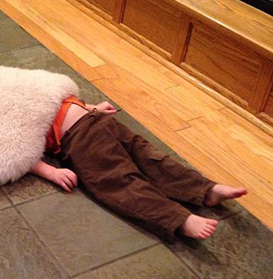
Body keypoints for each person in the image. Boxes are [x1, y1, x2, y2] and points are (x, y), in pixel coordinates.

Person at [31, 96, 247, 240]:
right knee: (122, 179)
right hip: (79, 138)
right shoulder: (5, 116)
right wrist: (51, 171)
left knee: (151, 161)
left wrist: (92, 108)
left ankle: (205, 190)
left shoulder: (28, 87)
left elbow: (62, 100)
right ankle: (177, 218)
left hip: (97, 122)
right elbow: (15, 154)